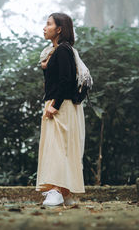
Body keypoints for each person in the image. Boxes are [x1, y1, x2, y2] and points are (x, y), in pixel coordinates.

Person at [35, 12, 88, 206]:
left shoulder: (64, 50)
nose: (44, 27)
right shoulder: (57, 51)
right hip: (58, 104)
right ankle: (63, 193)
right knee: (57, 148)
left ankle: (57, 191)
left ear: (59, 29)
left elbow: (66, 81)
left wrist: (55, 106)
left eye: (48, 24)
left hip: (61, 106)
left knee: (58, 149)